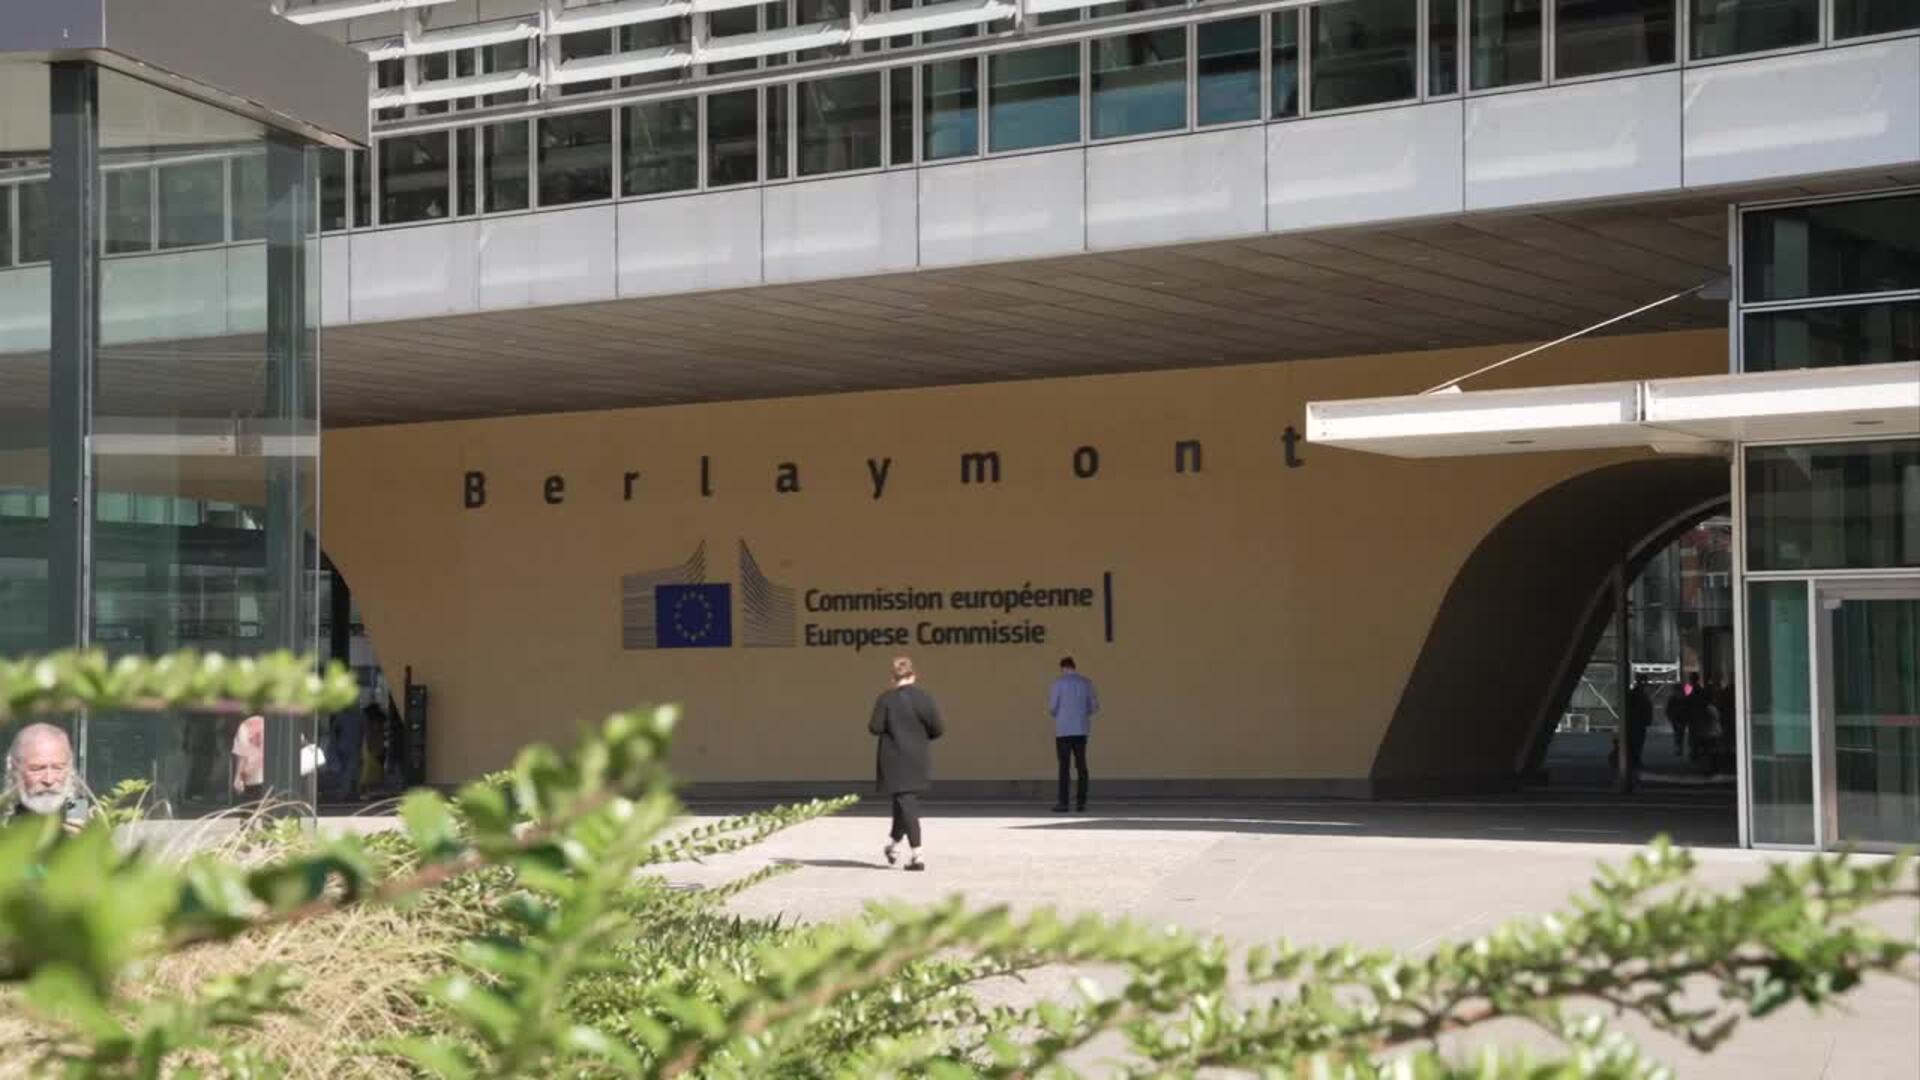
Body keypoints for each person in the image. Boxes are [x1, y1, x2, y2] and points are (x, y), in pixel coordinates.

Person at [869, 656, 943, 872]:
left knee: (905, 802)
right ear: (914, 676)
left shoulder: (886, 699)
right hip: (917, 757)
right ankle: (893, 845)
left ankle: (917, 855)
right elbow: (938, 729)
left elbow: (874, 727)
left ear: (893, 678)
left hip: (893, 758)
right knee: (902, 801)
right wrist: (918, 736)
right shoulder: (925, 698)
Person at [2, 724, 92, 832]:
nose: (49, 780)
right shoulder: (4, 816)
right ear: (14, 770)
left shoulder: (80, 811)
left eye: (58, 768)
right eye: (37, 769)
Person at [1047, 656, 1098, 812]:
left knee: (1064, 767)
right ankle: (1081, 802)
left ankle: (1063, 803)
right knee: (1081, 765)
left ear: (1063, 667)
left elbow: (1052, 708)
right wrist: (1081, 713)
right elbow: (1094, 706)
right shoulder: (1086, 683)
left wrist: (1062, 713)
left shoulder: (1058, 683)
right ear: (1074, 666)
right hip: (1081, 729)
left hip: (1063, 730)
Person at [232, 713, 266, 804]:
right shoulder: (268, 724)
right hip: (268, 775)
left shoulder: (245, 726)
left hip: (252, 777)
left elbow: (243, 752)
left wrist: (238, 777)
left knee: (251, 808)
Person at [1623, 674, 1653, 777]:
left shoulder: (1636, 693)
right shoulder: (1637, 694)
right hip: (1637, 722)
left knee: (1637, 742)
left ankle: (1635, 760)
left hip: (1638, 722)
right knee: (1636, 742)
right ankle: (1634, 761)